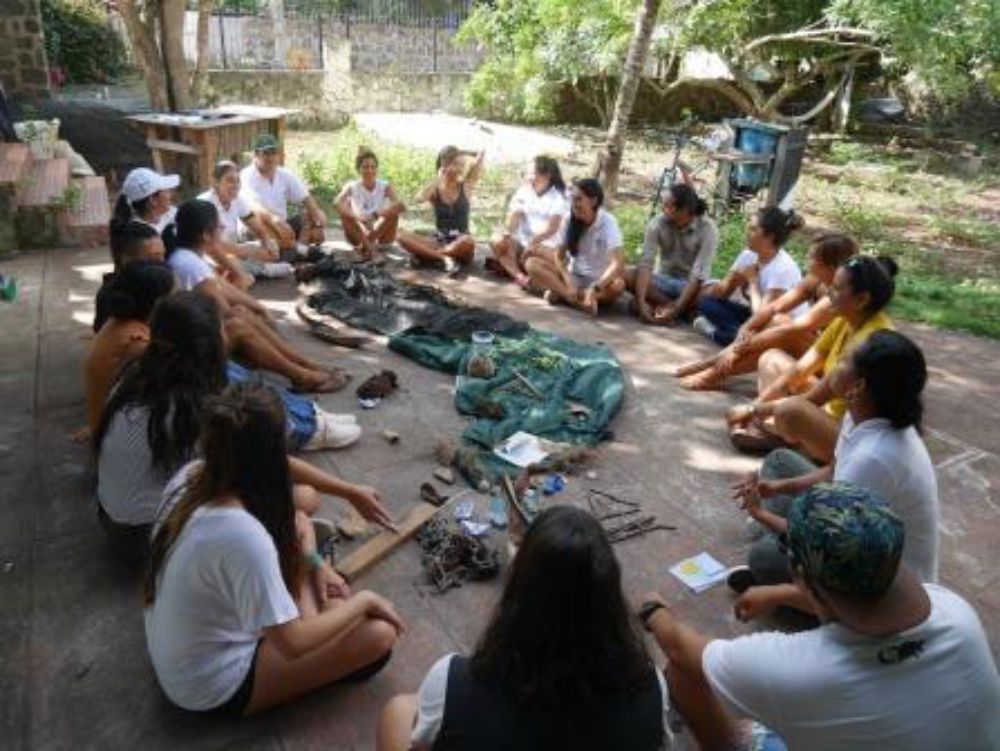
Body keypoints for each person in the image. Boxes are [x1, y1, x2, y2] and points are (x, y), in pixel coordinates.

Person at [641, 483, 1000, 751]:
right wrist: (780, 594)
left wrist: (654, 611)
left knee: (682, 676)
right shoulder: (954, 609)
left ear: (800, 573)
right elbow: (857, 604)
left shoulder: (798, 667)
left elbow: (679, 650)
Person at [144, 382, 405, 715]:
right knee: (379, 636)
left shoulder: (194, 473)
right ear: (269, 454)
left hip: (185, 649)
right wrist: (365, 601)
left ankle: (315, 590)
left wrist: (349, 493)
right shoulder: (243, 535)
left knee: (299, 519)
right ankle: (317, 604)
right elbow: (293, 644)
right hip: (209, 684)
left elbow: (284, 474)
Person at [95, 295, 390, 561]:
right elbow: (270, 461)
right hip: (146, 541)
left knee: (280, 486)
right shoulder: (195, 409)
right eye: (220, 329)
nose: (228, 333)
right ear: (207, 348)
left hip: (112, 523)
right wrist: (349, 490)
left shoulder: (136, 375)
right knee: (305, 498)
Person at [376, 506, 670, 751]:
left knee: (399, 711)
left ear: (518, 590)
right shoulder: (651, 687)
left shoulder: (452, 680)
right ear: (610, 596)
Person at [732, 330, 939, 592]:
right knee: (779, 461)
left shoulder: (873, 458)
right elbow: (833, 473)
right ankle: (778, 537)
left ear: (858, 386)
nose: (835, 363)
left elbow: (830, 541)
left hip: (885, 580)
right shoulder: (863, 413)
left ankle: (788, 565)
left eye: (843, 360)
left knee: (762, 558)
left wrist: (759, 513)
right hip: (851, 529)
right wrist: (777, 487)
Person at [166, 198, 349, 393]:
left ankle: (305, 364)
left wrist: (259, 308)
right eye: (217, 224)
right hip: (194, 354)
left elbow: (226, 288)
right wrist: (253, 316)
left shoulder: (190, 257)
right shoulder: (190, 265)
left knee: (242, 311)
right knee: (238, 323)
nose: (222, 226)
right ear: (205, 235)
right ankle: (301, 375)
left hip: (199, 336)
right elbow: (224, 312)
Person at [726, 255, 898, 461]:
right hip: (829, 411)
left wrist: (752, 411)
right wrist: (759, 406)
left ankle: (791, 441)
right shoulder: (845, 319)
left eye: (836, 288)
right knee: (770, 359)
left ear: (861, 300)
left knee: (791, 410)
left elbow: (815, 398)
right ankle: (784, 435)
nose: (828, 293)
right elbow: (799, 371)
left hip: (852, 435)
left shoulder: (868, 343)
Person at [677, 233, 858, 391]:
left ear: (828, 266)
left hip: (834, 370)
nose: (806, 260)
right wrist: (744, 331)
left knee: (784, 331)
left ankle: (714, 372)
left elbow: (791, 330)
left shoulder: (840, 295)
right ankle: (714, 368)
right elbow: (773, 308)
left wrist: (734, 350)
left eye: (811, 258)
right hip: (816, 351)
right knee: (776, 321)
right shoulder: (816, 278)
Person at [691, 207, 806, 346]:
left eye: (753, 229)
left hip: (777, 326)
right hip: (755, 315)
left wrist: (752, 283)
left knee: (753, 339)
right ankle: (738, 335)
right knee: (706, 301)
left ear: (770, 236)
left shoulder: (783, 268)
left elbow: (763, 316)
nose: (747, 233)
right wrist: (732, 281)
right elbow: (720, 295)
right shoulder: (749, 255)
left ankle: (719, 334)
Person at [85, 261, 175, 437]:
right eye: (175, 294)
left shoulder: (120, 323)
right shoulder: (135, 344)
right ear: (157, 304)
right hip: (122, 441)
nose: (181, 298)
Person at [523, 178, 626, 315]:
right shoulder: (568, 219)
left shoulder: (608, 222)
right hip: (575, 276)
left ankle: (563, 295)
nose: (574, 204)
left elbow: (617, 263)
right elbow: (559, 256)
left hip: (599, 282)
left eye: (578, 199)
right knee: (532, 263)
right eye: (572, 199)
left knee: (618, 286)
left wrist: (595, 289)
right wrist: (568, 280)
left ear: (593, 201)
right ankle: (576, 301)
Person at [624, 184, 718, 325]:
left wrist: (677, 306)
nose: (662, 209)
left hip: (690, 287)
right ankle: (676, 311)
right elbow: (646, 265)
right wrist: (642, 302)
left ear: (684, 210)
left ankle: (665, 308)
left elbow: (698, 275)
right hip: (662, 281)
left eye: (667, 205)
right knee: (627, 273)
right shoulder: (656, 224)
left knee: (714, 290)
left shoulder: (708, 229)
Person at [198, 160, 294, 281]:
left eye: (238, 181)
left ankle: (250, 270)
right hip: (209, 255)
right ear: (215, 183)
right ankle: (263, 270)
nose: (236, 185)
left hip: (233, 250)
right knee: (232, 262)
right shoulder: (205, 203)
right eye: (230, 180)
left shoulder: (237, 200)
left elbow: (257, 227)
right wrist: (247, 252)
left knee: (271, 245)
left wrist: (266, 242)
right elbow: (211, 245)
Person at [397, 145, 484, 274]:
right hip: (440, 240)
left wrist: (460, 151)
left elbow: (481, 153)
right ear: (443, 166)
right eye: (452, 164)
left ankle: (427, 256)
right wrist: (438, 179)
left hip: (461, 243)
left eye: (459, 164)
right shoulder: (436, 188)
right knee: (401, 236)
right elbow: (419, 198)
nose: (456, 168)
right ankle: (443, 258)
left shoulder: (466, 186)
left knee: (468, 241)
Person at [239, 133, 328, 257]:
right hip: (257, 225)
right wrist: (275, 220)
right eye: (265, 153)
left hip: (282, 226)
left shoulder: (284, 174)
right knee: (259, 222)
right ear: (256, 155)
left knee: (316, 216)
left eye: (273, 152)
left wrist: (318, 224)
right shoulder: (246, 175)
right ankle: (298, 250)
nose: (270, 157)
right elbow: (254, 207)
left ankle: (295, 251)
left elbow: (307, 200)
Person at [487, 155, 567, 288]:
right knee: (496, 240)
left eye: (531, 173)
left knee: (532, 261)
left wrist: (532, 244)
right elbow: (513, 221)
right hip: (522, 244)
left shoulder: (558, 197)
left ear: (546, 175)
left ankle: (514, 268)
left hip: (544, 247)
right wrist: (508, 232)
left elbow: (551, 228)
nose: (527, 176)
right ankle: (520, 277)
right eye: (527, 172)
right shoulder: (523, 191)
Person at [335, 146, 406, 262]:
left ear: (377, 169)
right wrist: (357, 217)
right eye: (365, 167)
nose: (369, 170)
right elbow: (336, 202)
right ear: (359, 169)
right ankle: (371, 250)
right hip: (358, 233)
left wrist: (376, 215)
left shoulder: (385, 185)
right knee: (344, 211)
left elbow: (401, 206)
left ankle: (366, 247)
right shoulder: (351, 186)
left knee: (395, 210)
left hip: (381, 234)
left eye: (373, 167)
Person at [94, 222, 166, 333]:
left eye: (163, 255)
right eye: (154, 258)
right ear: (125, 259)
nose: (163, 263)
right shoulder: (114, 298)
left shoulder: (147, 285)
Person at [110, 167, 179, 240]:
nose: (171, 194)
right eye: (166, 191)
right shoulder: (139, 235)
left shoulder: (171, 214)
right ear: (152, 200)